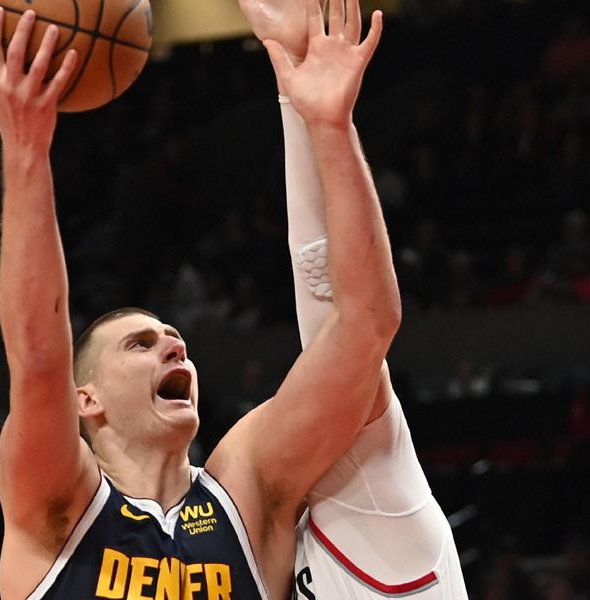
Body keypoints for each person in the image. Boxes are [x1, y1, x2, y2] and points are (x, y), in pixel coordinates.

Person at [0, 1, 399, 598]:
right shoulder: (57, 506)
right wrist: (25, 153)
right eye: (139, 344)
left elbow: (367, 329)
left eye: (172, 336)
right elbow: (41, 360)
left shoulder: (247, 489)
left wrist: (331, 126)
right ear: (86, 399)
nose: (173, 342)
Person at [237, 0, 469, 596]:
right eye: (139, 341)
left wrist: (308, 105)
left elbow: (343, 318)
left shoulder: (369, 504)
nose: (174, 349)